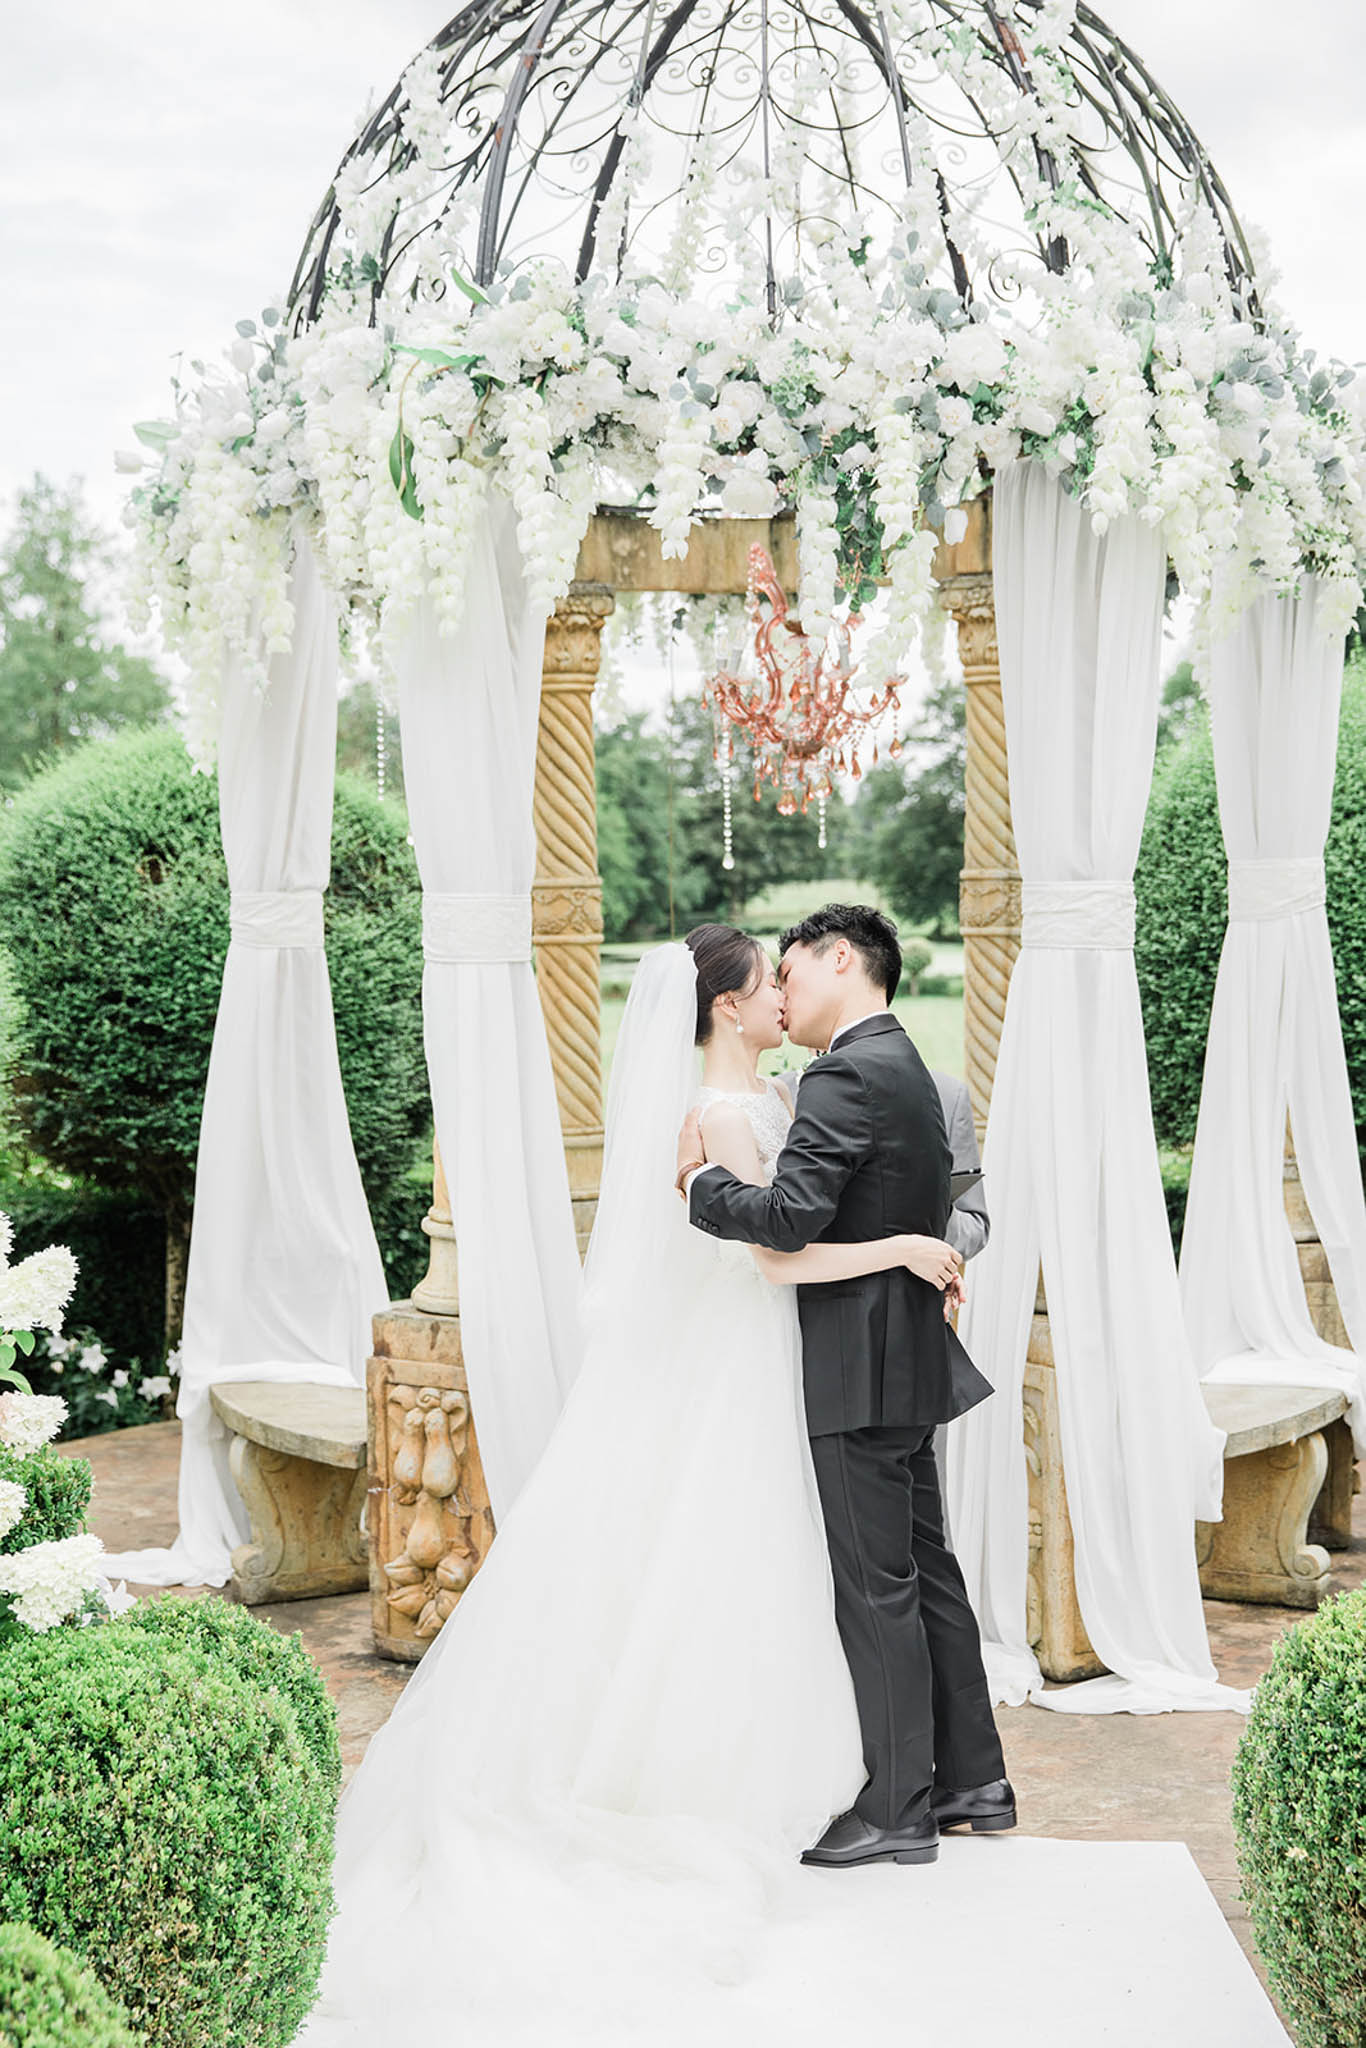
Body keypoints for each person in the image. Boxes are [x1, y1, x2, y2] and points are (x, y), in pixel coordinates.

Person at [294, 925, 969, 2047]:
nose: (779, 994)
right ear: (723, 1009)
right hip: (748, 1349)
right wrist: (903, 1246)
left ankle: (875, 1776)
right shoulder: (715, 1116)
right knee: (741, 1554)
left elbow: (819, 1188)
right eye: (765, 983)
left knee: (798, 1565)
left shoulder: (782, 1092)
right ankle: (757, 1778)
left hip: (785, 1355)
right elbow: (776, 1255)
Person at [681, 905, 1013, 1872]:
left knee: (877, 1592)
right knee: (926, 1572)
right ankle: (971, 1781)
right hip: (905, 1360)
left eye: (792, 972)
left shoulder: (842, 1074)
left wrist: (702, 1188)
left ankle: (897, 1806)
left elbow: (786, 1222)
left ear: (840, 959)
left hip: (855, 1368)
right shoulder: (907, 1064)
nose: (783, 992)